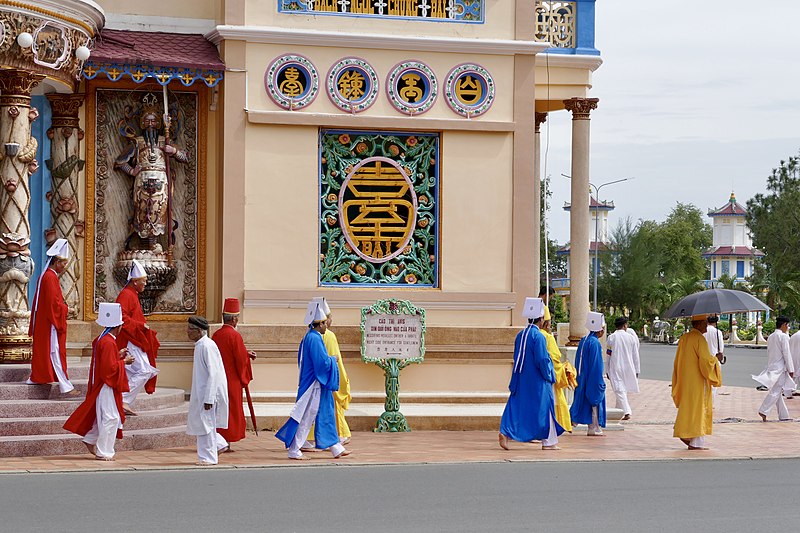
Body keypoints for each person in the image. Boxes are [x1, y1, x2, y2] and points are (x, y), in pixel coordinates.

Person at [275, 300, 350, 460]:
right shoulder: (314, 339)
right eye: (324, 323)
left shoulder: (310, 337)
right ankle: (295, 449)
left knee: (325, 413)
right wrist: (333, 359)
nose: (326, 325)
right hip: (314, 385)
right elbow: (321, 363)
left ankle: (335, 447)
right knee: (307, 417)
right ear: (319, 324)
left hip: (317, 384)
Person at [63, 303, 134, 461]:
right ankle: (104, 451)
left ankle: (91, 439)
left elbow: (105, 362)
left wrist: (118, 354)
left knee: (106, 416)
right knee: (110, 417)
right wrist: (125, 362)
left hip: (103, 385)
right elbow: (109, 370)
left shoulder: (102, 339)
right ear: (119, 327)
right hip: (106, 385)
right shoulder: (108, 342)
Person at [114, 102, 188, 250]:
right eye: (147, 121)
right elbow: (119, 162)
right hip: (142, 183)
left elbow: (185, 158)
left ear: (159, 123)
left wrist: (173, 152)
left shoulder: (165, 141)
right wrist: (132, 171)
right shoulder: (137, 143)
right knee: (142, 212)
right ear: (142, 123)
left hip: (161, 183)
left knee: (159, 210)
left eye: (153, 121)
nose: (150, 124)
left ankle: (155, 244)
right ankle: (144, 244)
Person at [499, 297, 563, 451]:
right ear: (541, 320)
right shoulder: (538, 337)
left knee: (517, 405)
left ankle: (506, 432)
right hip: (537, 379)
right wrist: (550, 375)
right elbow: (541, 359)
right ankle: (549, 442)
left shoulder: (520, 335)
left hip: (521, 377)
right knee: (546, 408)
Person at [27, 239, 77, 395]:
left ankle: (38, 377)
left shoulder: (48, 276)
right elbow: (53, 305)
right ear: (56, 262)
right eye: (63, 263)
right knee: (54, 352)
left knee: (50, 352)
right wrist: (67, 309)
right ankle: (65, 386)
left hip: (47, 322)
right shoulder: (50, 277)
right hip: (50, 324)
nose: (64, 266)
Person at [116, 259, 160, 415]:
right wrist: (140, 326)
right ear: (135, 282)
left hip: (134, 339)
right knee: (144, 371)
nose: (146, 283)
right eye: (144, 280)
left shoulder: (131, 293)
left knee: (129, 372)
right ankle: (123, 400)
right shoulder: (127, 295)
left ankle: (121, 399)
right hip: (130, 340)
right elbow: (121, 317)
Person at [672, 314, 722, 450]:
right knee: (700, 408)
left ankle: (687, 434)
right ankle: (696, 442)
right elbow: (706, 363)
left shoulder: (685, 338)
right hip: (698, 380)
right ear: (699, 324)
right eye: (705, 323)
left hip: (686, 379)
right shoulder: (699, 339)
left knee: (689, 408)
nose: (707, 325)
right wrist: (716, 359)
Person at [212, 298, 256, 451]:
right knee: (231, 410)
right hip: (232, 380)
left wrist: (245, 353)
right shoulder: (235, 336)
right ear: (235, 319)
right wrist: (246, 360)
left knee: (221, 410)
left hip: (218, 379)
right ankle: (227, 441)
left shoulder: (216, 335)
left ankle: (220, 440)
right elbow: (239, 359)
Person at [186, 316, 229, 466]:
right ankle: (217, 445)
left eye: (190, 329)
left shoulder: (207, 346)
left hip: (208, 393)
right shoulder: (200, 345)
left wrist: (209, 397)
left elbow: (214, 373)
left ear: (198, 331)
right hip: (202, 392)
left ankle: (209, 457)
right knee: (203, 423)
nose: (187, 332)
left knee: (207, 424)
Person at [317, 297, 351, 445]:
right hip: (330, 380)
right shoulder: (329, 336)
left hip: (316, 379)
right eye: (329, 318)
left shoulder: (311, 335)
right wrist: (343, 381)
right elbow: (336, 361)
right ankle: (339, 435)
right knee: (333, 410)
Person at [570, 312, 607, 436]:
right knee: (595, 402)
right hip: (592, 377)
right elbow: (596, 365)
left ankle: (588, 425)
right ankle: (594, 427)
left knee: (585, 400)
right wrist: (599, 381)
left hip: (583, 376)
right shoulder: (595, 343)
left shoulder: (584, 340)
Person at [753, 316, 795, 421]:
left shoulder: (771, 336)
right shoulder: (783, 337)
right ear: (784, 325)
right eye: (787, 325)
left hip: (772, 366)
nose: (788, 328)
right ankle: (763, 410)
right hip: (780, 368)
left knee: (777, 393)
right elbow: (786, 353)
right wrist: (791, 369)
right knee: (776, 391)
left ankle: (784, 415)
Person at [541, 306, 573, 432]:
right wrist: (565, 369)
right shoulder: (547, 337)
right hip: (548, 376)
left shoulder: (527, 335)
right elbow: (553, 359)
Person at [606, 316, 640, 421]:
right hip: (629, 367)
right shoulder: (631, 338)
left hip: (615, 366)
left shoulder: (611, 338)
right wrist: (637, 369)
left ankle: (626, 411)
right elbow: (635, 355)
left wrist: (607, 369)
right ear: (625, 325)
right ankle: (618, 411)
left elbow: (608, 354)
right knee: (621, 389)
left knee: (619, 389)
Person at [703, 315, 725, 403]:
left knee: (704, 382)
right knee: (714, 382)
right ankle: (710, 403)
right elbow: (721, 348)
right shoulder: (717, 332)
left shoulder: (703, 332)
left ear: (707, 322)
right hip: (715, 359)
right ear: (715, 323)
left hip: (704, 359)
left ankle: (704, 402)